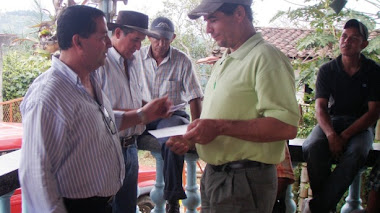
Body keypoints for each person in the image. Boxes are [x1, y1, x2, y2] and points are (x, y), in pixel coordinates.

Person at [19, 5, 171, 213]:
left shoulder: (88, 81)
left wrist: (142, 114)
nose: (109, 44)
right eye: (102, 37)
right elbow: (36, 176)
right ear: (78, 41)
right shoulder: (48, 96)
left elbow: (101, 121)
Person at [166, 0, 300, 212]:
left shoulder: (266, 57)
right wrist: (194, 138)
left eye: (213, 19)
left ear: (239, 13)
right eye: (206, 21)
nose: (208, 29)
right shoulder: (225, 60)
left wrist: (219, 127)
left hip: (243, 180)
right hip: (217, 177)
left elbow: (285, 127)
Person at [95, 10, 171, 213]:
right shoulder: (100, 62)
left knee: (127, 208)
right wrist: (143, 112)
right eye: (135, 40)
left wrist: (153, 107)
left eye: (141, 41)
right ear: (117, 32)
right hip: (107, 150)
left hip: (131, 148)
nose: (139, 48)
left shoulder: (134, 61)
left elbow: (133, 100)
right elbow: (97, 110)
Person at [301, 19, 380, 213]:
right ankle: (325, 207)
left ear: (364, 44)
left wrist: (343, 137)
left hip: (361, 126)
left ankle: (318, 208)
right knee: (313, 146)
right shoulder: (327, 70)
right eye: (344, 36)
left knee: (358, 152)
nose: (346, 41)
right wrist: (330, 135)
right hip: (332, 122)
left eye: (354, 38)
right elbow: (320, 107)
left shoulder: (374, 71)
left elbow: (373, 112)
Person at [131, 16, 203, 213]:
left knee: (173, 140)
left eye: (166, 39)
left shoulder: (182, 61)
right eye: (156, 38)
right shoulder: (135, 58)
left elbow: (195, 98)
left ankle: (172, 201)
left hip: (171, 115)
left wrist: (195, 132)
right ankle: (120, 192)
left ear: (173, 38)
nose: (160, 44)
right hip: (143, 112)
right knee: (120, 136)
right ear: (149, 37)